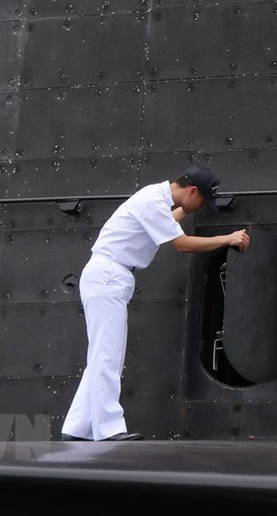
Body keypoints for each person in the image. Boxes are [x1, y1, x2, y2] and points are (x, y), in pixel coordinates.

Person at [61, 165, 250, 441]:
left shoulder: (155, 200)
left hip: (110, 276)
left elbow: (168, 221)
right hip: (108, 276)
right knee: (108, 356)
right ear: (192, 190)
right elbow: (181, 244)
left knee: (101, 355)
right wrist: (228, 238)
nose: (200, 208)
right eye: (201, 201)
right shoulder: (152, 201)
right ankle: (109, 429)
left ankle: (76, 428)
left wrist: (184, 210)